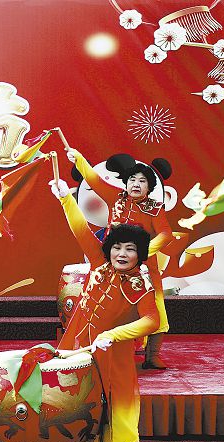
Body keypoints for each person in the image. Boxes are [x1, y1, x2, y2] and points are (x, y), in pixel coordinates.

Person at [37, 178, 160, 442]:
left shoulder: (140, 285)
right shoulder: (98, 264)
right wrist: (66, 198)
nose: (122, 253)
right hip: (75, 349)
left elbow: (152, 320)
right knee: (62, 403)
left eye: (130, 249)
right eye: (117, 247)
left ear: (140, 254)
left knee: (118, 414)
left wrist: (116, 334)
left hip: (114, 358)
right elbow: (81, 230)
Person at [67, 148, 172, 369]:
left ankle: (152, 356)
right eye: (132, 179)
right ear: (126, 182)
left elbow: (166, 234)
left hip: (144, 267)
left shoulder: (155, 209)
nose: (136, 184)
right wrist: (79, 159)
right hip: (110, 264)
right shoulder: (115, 197)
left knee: (156, 311)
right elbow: (93, 179)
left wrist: (144, 252)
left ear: (150, 187)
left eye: (142, 181)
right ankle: (91, 348)